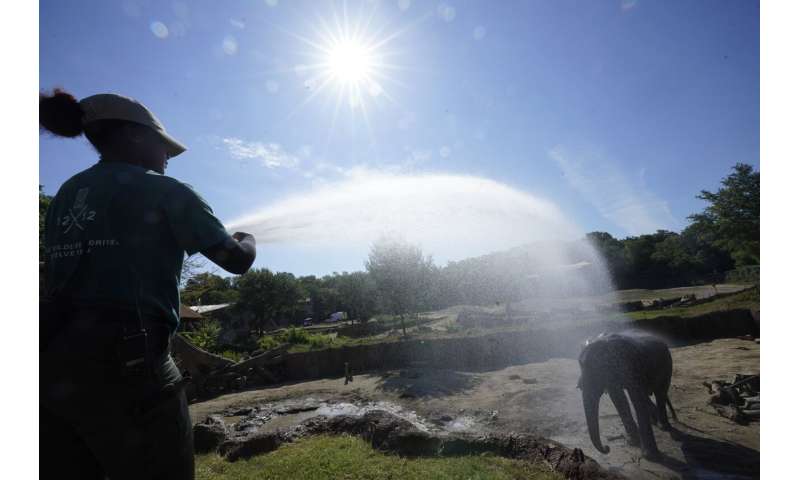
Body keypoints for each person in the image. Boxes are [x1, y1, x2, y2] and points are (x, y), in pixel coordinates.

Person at [39, 89, 257, 479]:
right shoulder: (166, 191)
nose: (168, 156)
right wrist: (247, 238)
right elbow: (235, 261)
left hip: (54, 369)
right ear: (135, 136)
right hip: (133, 370)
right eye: (164, 145)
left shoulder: (66, 194)